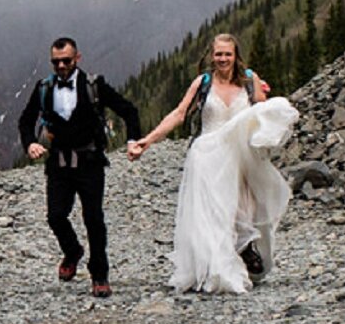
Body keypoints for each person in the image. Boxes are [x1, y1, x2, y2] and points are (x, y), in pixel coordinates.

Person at [127, 33, 300, 294]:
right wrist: (148, 140)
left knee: (244, 208)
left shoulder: (250, 81)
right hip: (207, 155)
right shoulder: (203, 83)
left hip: (241, 156)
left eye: (227, 54)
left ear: (235, 55)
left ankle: (243, 250)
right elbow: (179, 113)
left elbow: (261, 114)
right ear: (211, 56)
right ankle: (217, 269)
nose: (222, 59)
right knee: (213, 214)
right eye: (218, 54)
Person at [16, 37, 141, 297]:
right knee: (55, 216)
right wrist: (29, 144)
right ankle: (72, 251)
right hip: (58, 162)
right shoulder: (44, 88)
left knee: (94, 218)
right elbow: (25, 121)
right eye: (56, 62)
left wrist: (132, 141)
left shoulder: (95, 86)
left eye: (66, 61)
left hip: (90, 162)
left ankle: (100, 275)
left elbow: (128, 110)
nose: (61, 66)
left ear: (77, 58)